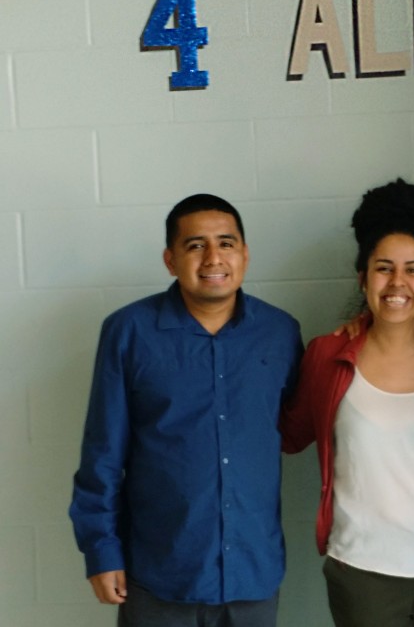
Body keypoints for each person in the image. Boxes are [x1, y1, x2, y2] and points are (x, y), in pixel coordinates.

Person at [69, 193, 303, 627]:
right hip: (159, 574)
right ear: (170, 259)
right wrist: (100, 551)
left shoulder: (281, 333)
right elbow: (102, 454)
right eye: (195, 245)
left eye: (226, 243)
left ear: (245, 254)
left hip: (254, 573)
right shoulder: (129, 333)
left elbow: (302, 424)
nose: (213, 257)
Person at [280, 178, 414, 627]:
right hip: (361, 570)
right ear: (363, 278)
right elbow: (289, 435)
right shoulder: (326, 356)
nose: (397, 282)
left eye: (413, 269)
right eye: (383, 267)